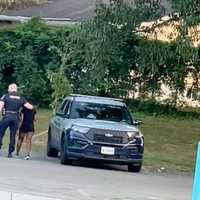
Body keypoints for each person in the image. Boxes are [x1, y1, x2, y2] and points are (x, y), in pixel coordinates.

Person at [0, 83, 33, 158]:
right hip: (15, 118)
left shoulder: (5, 96)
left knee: (1, 132)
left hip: (7, 116)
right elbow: (30, 107)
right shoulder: (21, 98)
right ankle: (10, 153)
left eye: (8, 89)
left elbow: (0, 106)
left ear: (11, 88)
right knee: (13, 135)